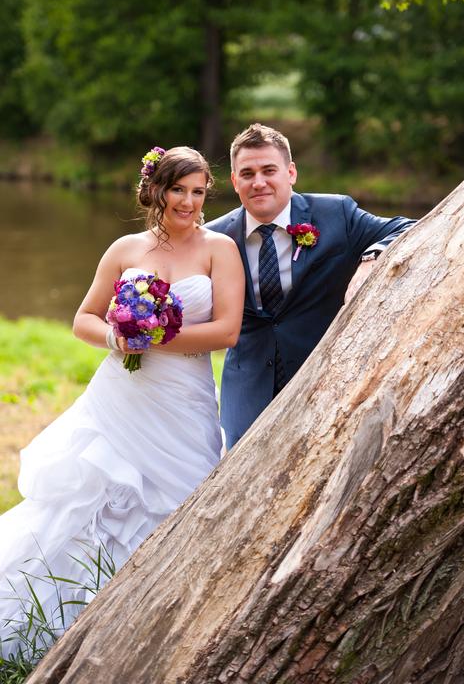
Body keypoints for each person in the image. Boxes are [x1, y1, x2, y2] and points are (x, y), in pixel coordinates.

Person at [0, 146, 244, 661]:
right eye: (178, 189)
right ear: (156, 190)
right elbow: (83, 319)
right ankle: (64, 625)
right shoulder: (125, 248)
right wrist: (118, 337)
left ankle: (163, 629)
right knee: (91, 501)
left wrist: (154, 337)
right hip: (120, 397)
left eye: (198, 192)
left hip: (184, 400)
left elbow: (226, 331)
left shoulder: (219, 249)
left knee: (183, 500)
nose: (188, 202)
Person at [207, 123, 415, 449]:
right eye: (247, 174)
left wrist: (370, 259)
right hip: (247, 392)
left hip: (325, 382)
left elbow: (408, 227)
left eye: (269, 170)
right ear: (235, 182)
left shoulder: (336, 213)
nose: (258, 182)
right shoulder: (214, 236)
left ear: (291, 172)